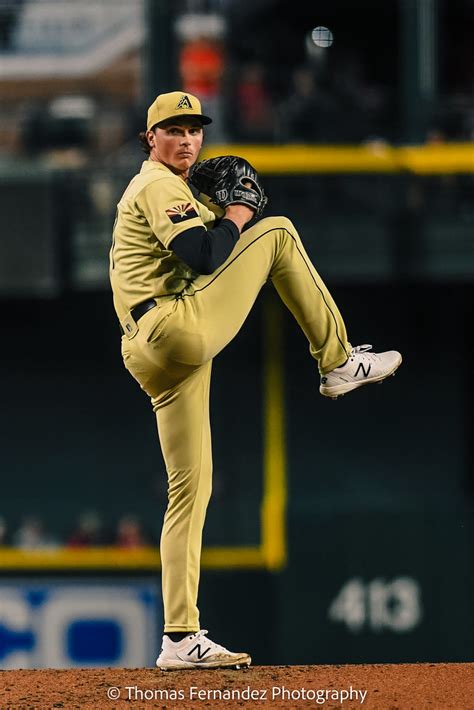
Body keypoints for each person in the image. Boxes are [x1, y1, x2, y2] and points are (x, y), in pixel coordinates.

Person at [109, 91, 402, 670]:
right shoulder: (157, 183)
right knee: (279, 233)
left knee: (189, 492)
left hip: (153, 348)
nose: (187, 140)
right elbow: (204, 254)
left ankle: (179, 637)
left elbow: (200, 251)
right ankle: (337, 359)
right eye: (173, 130)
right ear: (151, 139)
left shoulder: (172, 187)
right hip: (174, 327)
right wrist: (239, 211)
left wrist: (219, 216)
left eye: (194, 129)